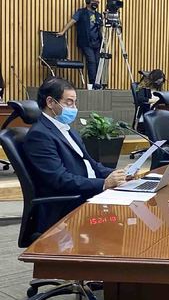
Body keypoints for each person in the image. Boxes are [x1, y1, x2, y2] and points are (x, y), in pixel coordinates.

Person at [23, 78, 128, 217]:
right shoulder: (39, 135)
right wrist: (104, 183)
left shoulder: (67, 129)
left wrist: (119, 174)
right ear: (50, 102)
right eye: (69, 102)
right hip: (69, 204)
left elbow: (91, 164)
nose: (74, 108)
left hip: (89, 193)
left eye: (74, 102)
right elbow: (59, 179)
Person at [62, 0, 104, 88]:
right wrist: (63, 31)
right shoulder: (81, 12)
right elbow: (72, 21)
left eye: (98, 2)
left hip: (97, 43)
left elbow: (101, 28)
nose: (96, 3)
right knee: (92, 62)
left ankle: (98, 84)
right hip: (86, 42)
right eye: (94, 1)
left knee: (99, 63)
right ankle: (93, 85)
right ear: (88, 2)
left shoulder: (98, 15)